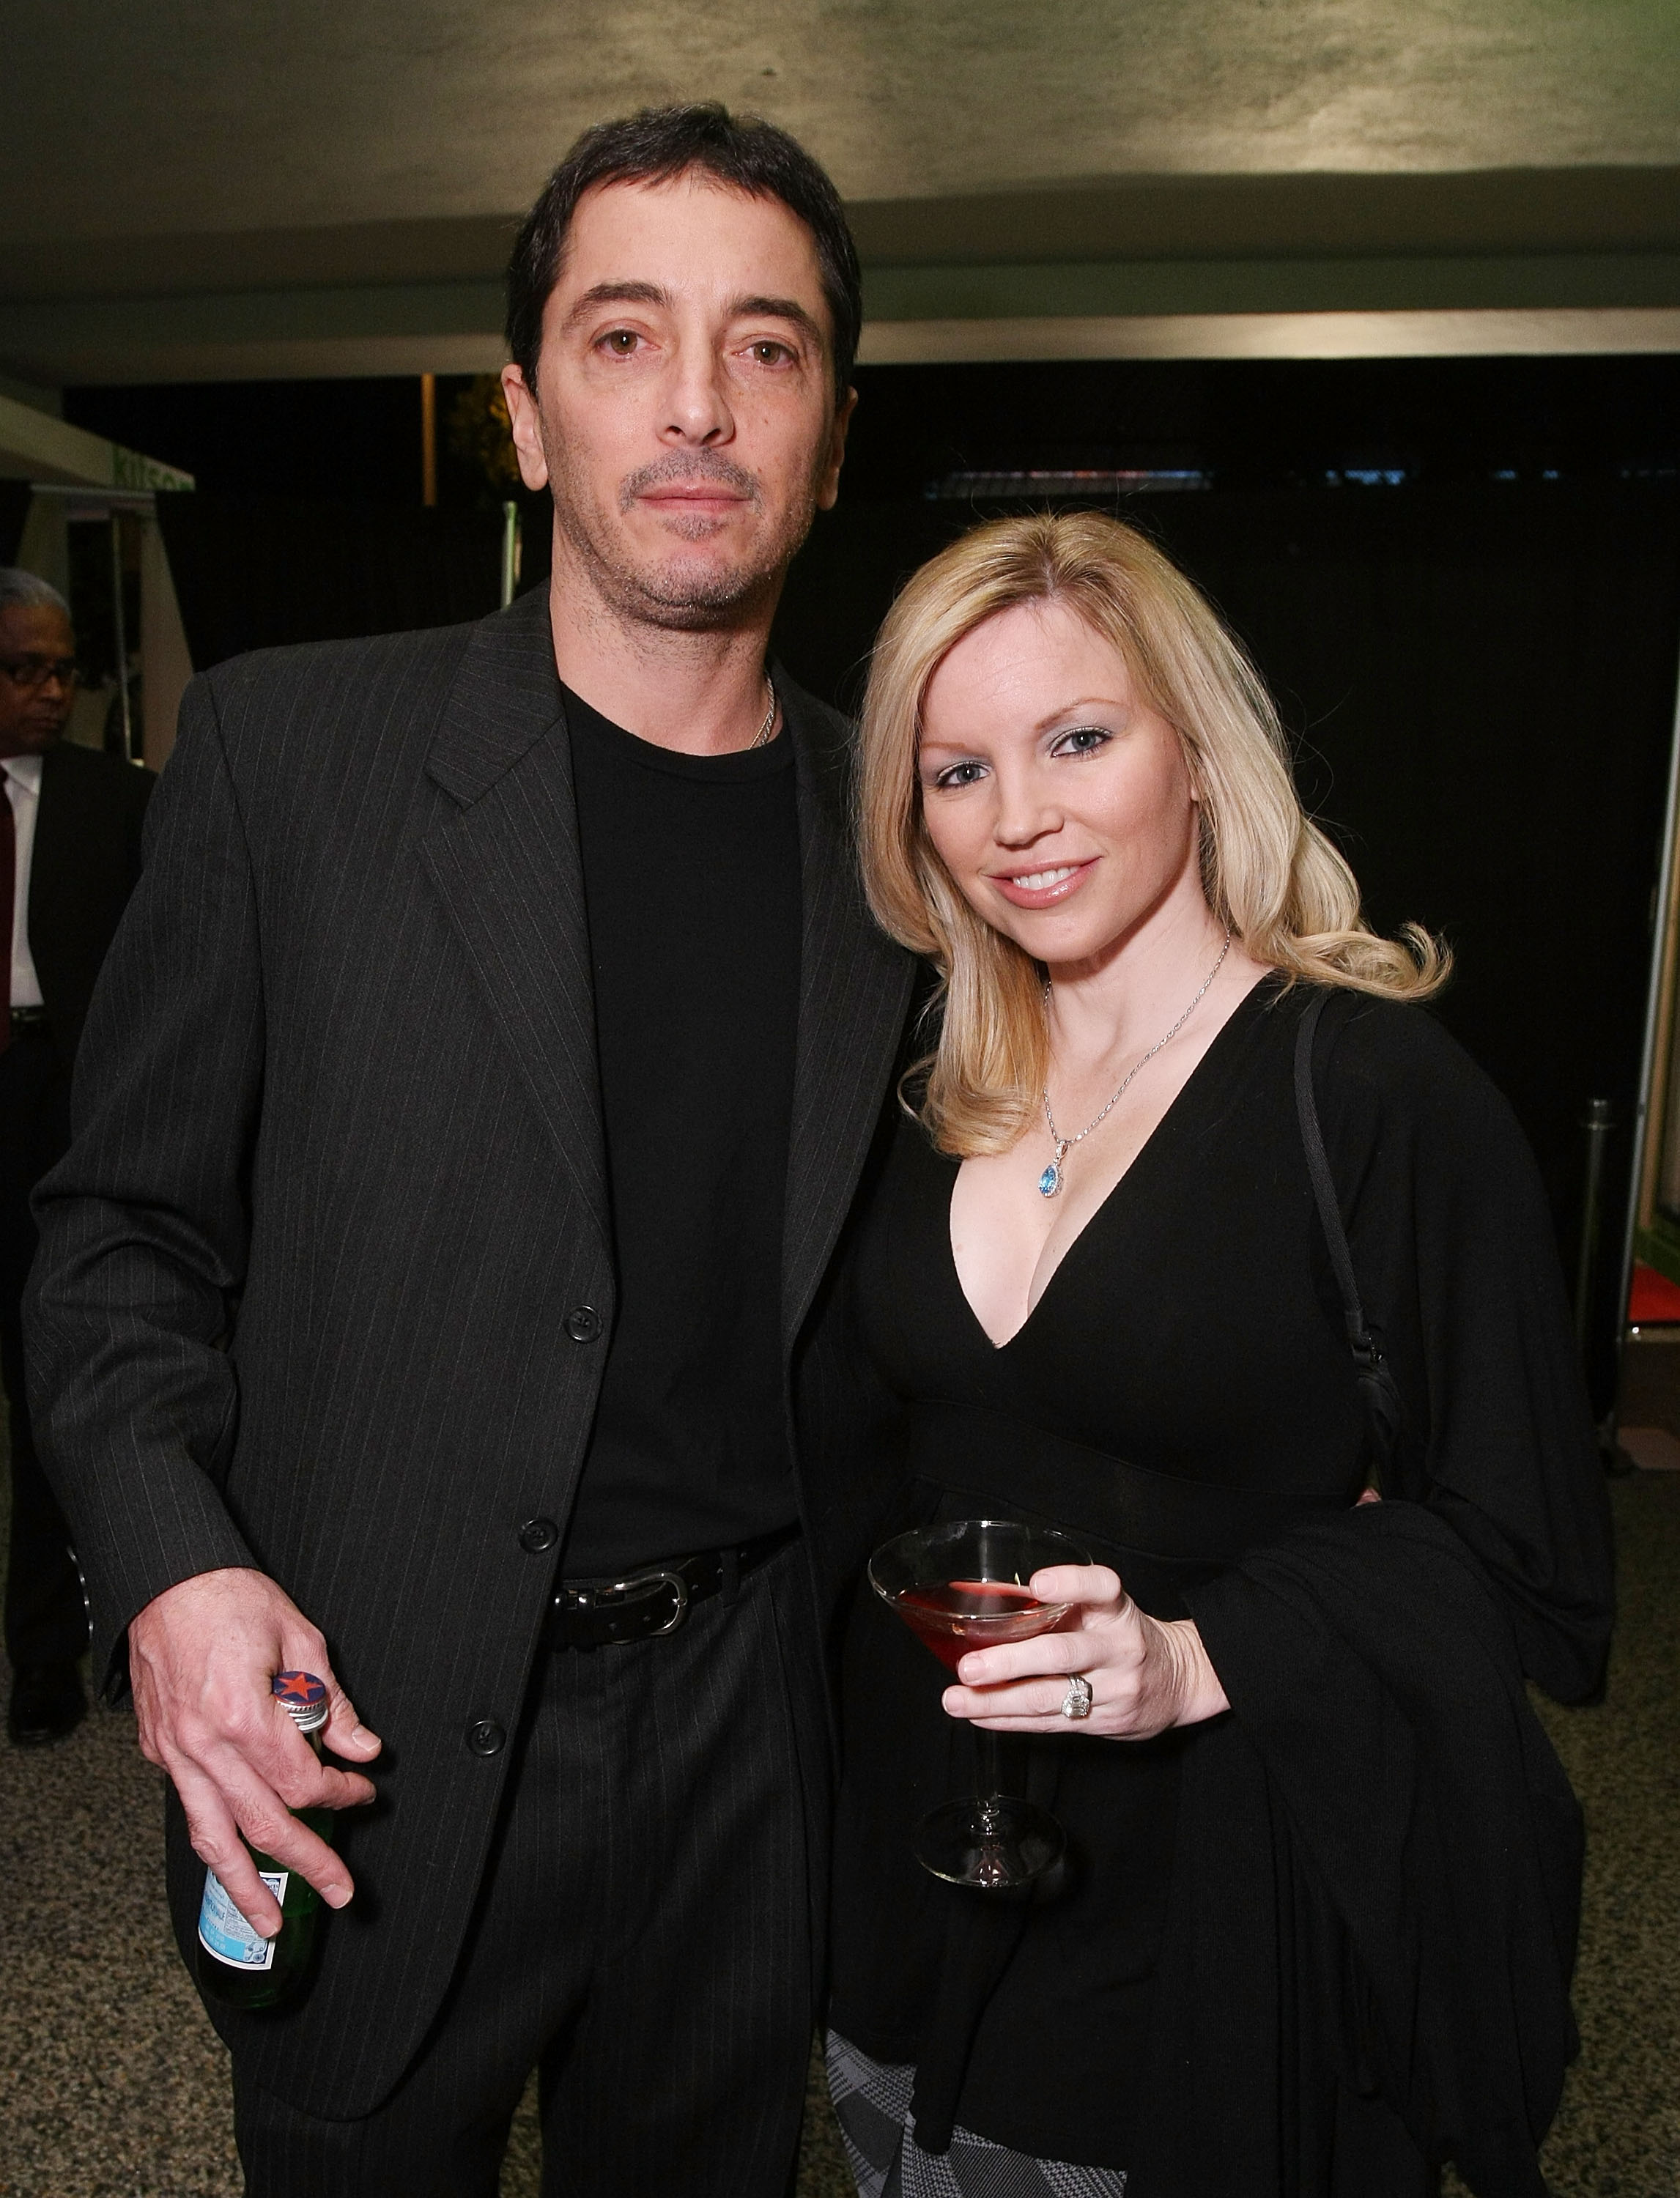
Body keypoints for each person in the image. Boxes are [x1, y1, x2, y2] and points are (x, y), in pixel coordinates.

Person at [27, 107, 913, 2196]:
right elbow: (115, 1243)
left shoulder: (908, 834)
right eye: (624, 337)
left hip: (748, 1754)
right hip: (374, 1722)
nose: (697, 401)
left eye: (764, 348)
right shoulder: (287, 756)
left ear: (833, 433)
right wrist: (168, 1566)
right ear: (521, 417)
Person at [823, 511, 1613, 2197]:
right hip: (898, 1882)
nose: (1015, 819)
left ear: (1196, 752)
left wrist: (1196, 1656)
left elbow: (1534, 1566)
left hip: (1202, 1907)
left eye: (1079, 740)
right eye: (954, 770)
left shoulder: (1376, 1098)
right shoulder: (914, 1087)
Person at [0, 567, 151, 1745]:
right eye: (23, 669)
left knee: (51, 1387)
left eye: (63, 669)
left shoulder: (116, 799)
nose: (52, 691)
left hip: (72, 1109)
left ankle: (50, 1657)